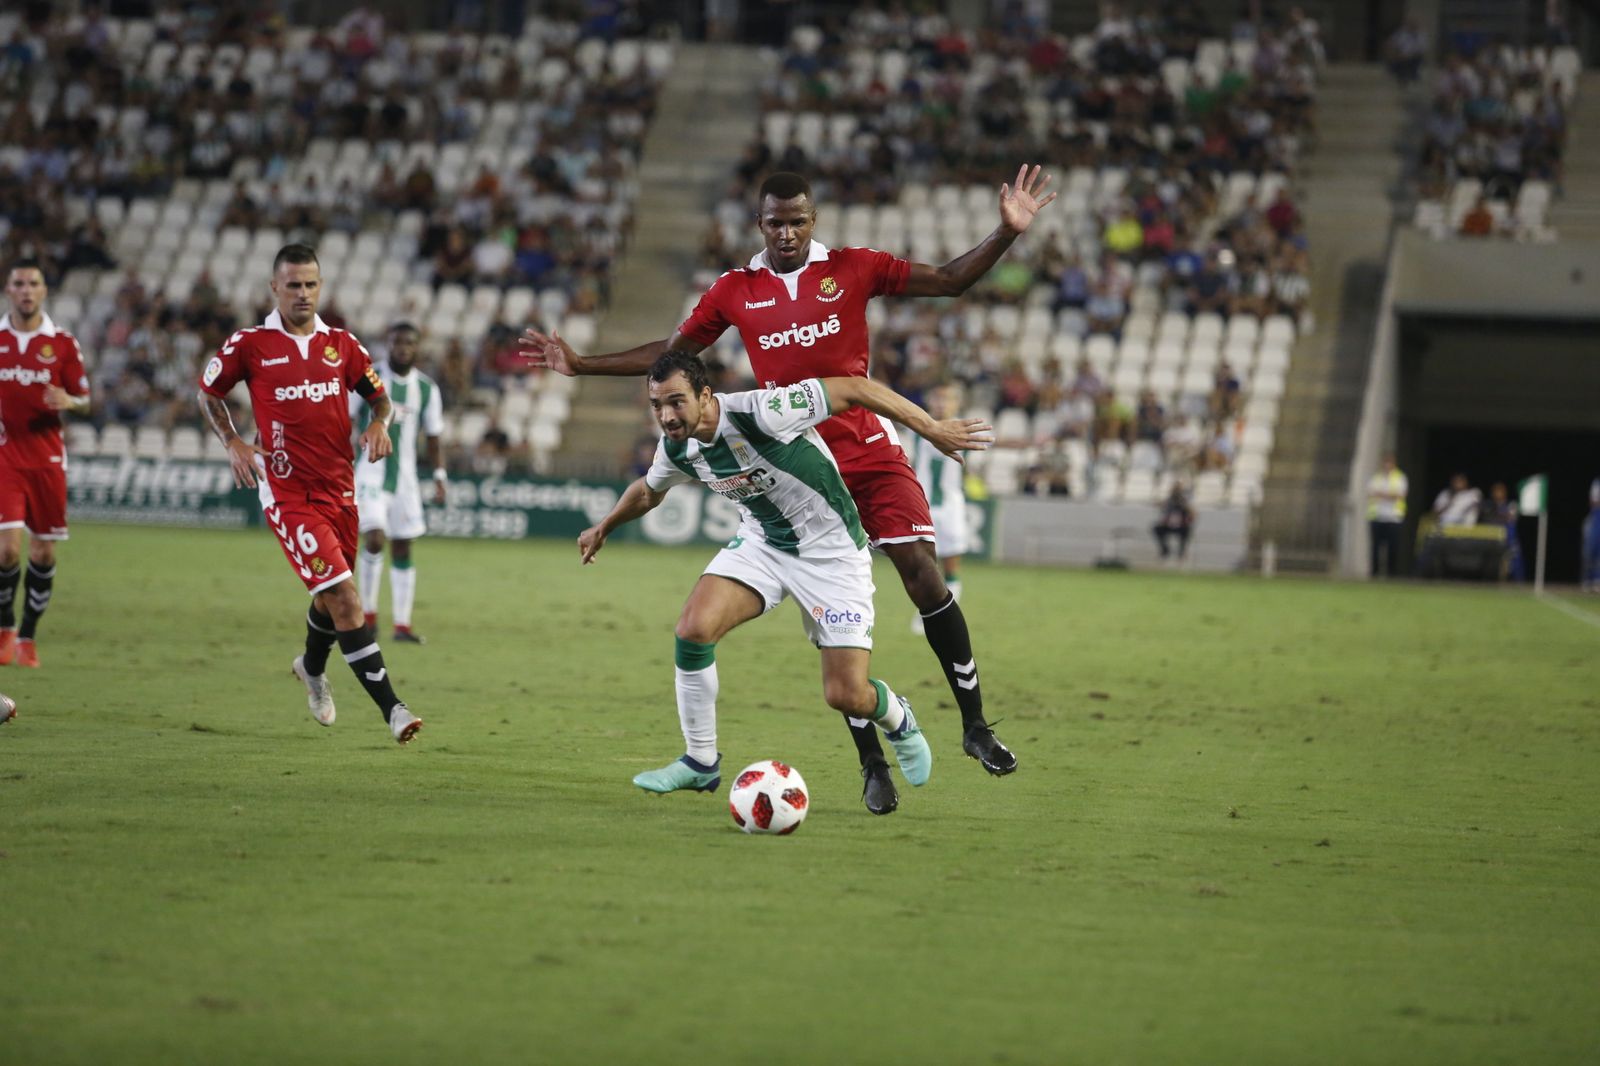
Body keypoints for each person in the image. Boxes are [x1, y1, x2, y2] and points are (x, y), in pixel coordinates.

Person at [522, 167, 1053, 806]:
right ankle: (871, 762)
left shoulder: (855, 268)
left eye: (797, 220)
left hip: (865, 446)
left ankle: (973, 725)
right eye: (775, 221)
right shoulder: (736, 290)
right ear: (760, 224)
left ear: (813, 220)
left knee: (921, 574)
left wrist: (1005, 232)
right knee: (817, 606)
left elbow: (951, 280)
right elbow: (673, 355)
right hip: (790, 460)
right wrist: (584, 365)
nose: (787, 232)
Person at [577, 352, 992, 810]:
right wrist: (605, 526)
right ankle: (700, 761)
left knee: (846, 694)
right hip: (764, 545)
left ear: (705, 395)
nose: (667, 415)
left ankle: (898, 717)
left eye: (676, 402)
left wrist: (930, 426)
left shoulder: (765, 411)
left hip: (832, 554)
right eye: (657, 405)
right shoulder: (677, 446)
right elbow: (648, 490)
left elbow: (854, 388)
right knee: (693, 629)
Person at [197, 244, 422, 744]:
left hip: (339, 490)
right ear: (274, 287)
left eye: (311, 284)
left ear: (321, 287)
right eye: (293, 284)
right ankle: (394, 710)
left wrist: (379, 425)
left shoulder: (341, 345)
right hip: (287, 492)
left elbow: (379, 398)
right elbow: (208, 392)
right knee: (346, 597)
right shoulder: (250, 344)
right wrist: (232, 440)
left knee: (329, 597)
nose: (303, 293)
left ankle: (311, 668)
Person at [0, 261, 92, 668]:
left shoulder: (63, 343)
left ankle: (28, 637)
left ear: (44, 291)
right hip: (5, 456)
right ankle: (4, 628)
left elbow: (85, 399)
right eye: (19, 283)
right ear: (8, 290)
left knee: (43, 553)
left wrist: (68, 401)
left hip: (47, 459)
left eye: (33, 284)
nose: (26, 290)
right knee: (7, 550)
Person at [353, 322, 447, 643]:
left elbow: (434, 437)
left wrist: (439, 475)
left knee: (404, 546)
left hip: (405, 480)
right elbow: (345, 419)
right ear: (387, 344)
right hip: (369, 474)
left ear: (416, 348)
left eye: (408, 343)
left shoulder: (426, 389)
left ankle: (402, 626)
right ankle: (367, 617)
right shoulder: (367, 378)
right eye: (397, 342)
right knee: (376, 539)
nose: (402, 348)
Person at [907, 383, 969, 636]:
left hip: (950, 508)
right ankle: (930, 613)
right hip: (923, 505)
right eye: (937, 398)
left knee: (950, 566)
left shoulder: (962, 429)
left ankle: (948, 614)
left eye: (947, 399)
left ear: (956, 403)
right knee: (922, 564)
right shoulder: (918, 427)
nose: (941, 404)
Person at [1366, 454, 1408, 577]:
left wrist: (1382, 494)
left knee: (1393, 547)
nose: (1387, 465)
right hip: (1377, 516)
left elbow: (1399, 495)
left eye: (1390, 462)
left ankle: (1391, 573)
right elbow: (1370, 493)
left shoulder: (1400, 477)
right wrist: (1389, 495)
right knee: (1375, 547)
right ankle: (1375, 572)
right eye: (1386, 462)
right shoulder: (1376, 477)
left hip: (1394, 518)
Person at [1152, 482, 1195, 563]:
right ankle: (1165, 550)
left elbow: (1193, 514)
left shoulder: (1185, 501)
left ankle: (1181, 553)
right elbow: (1161, 506)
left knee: (1187, 531)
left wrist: (1185, 506)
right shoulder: (1169, 500)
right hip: (1168, 525)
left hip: (1181, 526)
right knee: (1157, 528)